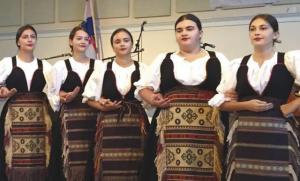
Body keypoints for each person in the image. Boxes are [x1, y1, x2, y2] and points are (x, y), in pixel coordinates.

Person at [136, 14, 231, 181]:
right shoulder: (164, 59)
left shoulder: (218, 59)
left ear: (200, 33)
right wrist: (152, 98)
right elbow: (143, 88)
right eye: (179, 30)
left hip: (208, 128)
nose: (183, 33)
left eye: (189, 29)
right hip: (171, 128)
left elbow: (231, 90)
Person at [208, 14, 300, 181]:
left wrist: (291, 106)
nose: (257, 32)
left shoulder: (289, 60)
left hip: (278, 133)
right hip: (244, 134)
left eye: (263, 28)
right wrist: (245, 105)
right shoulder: (238, 65)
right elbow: (221, 103)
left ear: (276, 34)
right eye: (252, 29)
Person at [82, 28, 149, 180]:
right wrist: (102, 106)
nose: (122, 44)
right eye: (117, 41)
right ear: (112, 46)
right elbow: (88, 98)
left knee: (136, 163)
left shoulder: (144, 69)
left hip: (136, 126)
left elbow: (151, 97)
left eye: (126, 40)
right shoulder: (103, 68)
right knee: (109, 164)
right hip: (109, 125)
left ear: (132, 44)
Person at [50, 26, 103, 181]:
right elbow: (52, 94)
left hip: (95, 119)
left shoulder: (99, 65)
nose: (83, 41)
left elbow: (103, 91)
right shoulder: (60, 66)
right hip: (70, 121)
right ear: (70, 41)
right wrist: (62, 96)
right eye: (79, 38)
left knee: (93, 155)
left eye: (86, 39)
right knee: (72, 157)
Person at [0, 24, 53, 181]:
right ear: (18, 41)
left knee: (41, 158)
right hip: (14, 118)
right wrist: (3, 92)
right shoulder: (7, 63)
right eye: (25, 36)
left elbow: (54, 91)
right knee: (12, 159)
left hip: (40, 117)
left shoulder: (46, 66)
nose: (30, 39)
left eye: (33, 36)